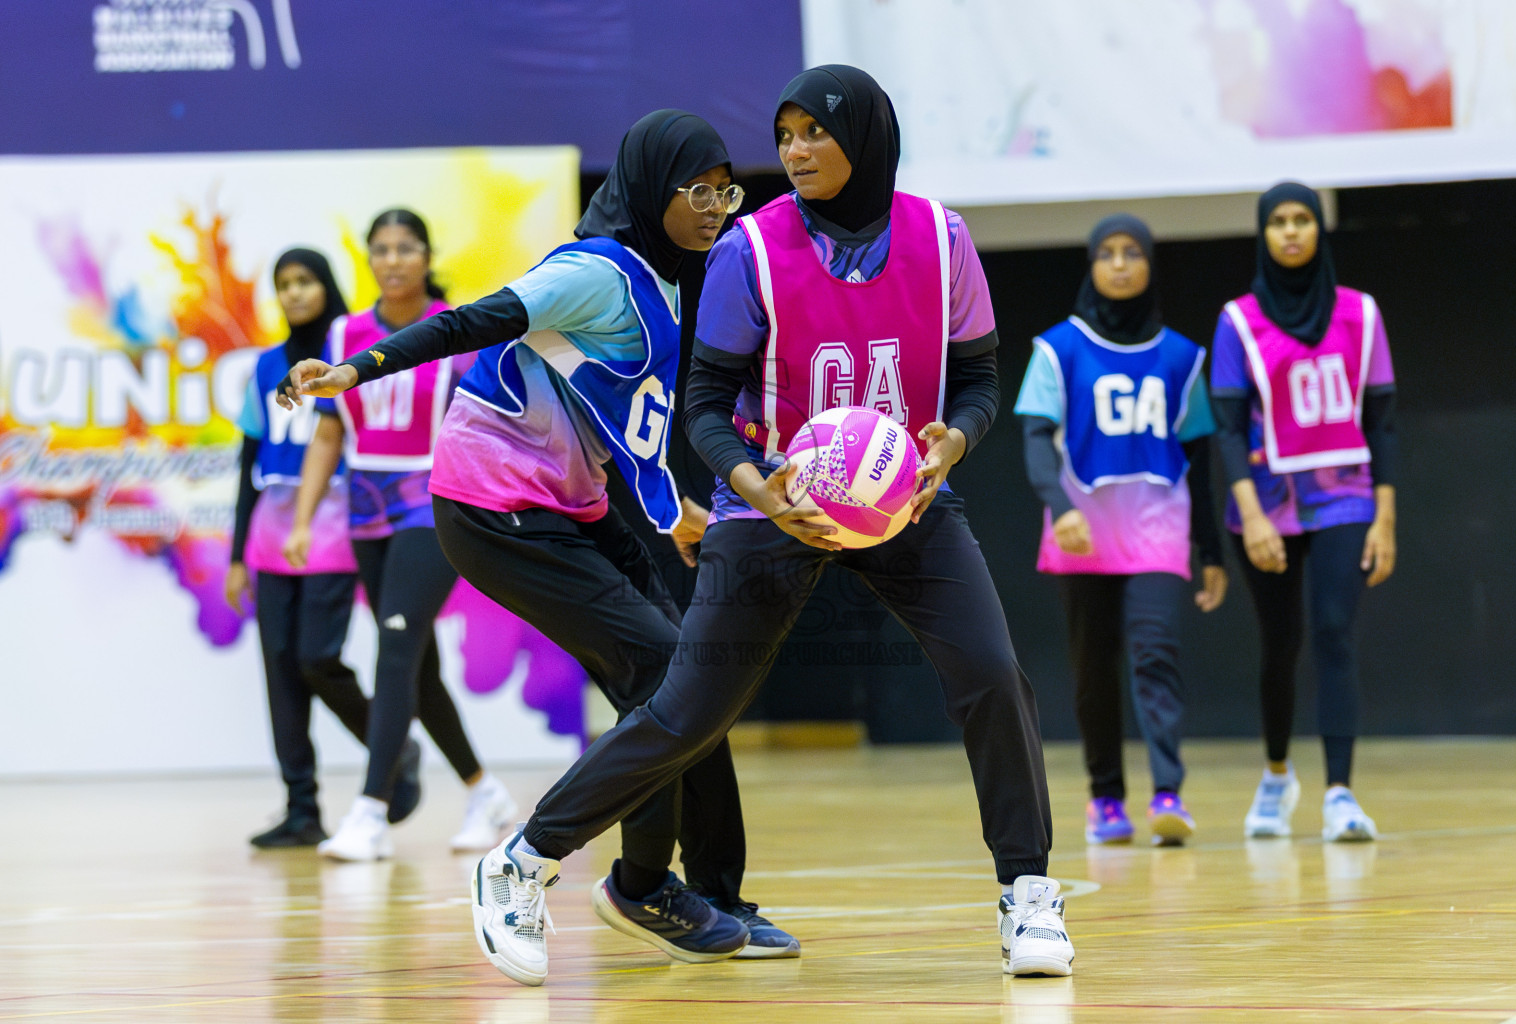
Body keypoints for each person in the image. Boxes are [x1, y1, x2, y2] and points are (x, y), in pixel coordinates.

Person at [426, 66, 1075, 985]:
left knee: (993, 676)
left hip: (906, 502)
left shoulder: (944, 237)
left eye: (816, 131)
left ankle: (1030, 895)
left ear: (868, 137)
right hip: (774, 503)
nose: (796, 150)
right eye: (786, 133)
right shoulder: (751, 249)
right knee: (688, 707)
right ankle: (522, 861)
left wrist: (953, 445)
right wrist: (757, 487)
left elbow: (976, 379)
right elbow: (702, 402)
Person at [277, 111, 797, 970]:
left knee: (695, 670)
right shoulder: (592, 271)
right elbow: (468, 323)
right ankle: (568, 870)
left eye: (726, 191)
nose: (717, 208)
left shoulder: (667, 281)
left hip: (572, 506)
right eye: (698, 192)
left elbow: (619, 421)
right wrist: (355, 369)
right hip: (491, 509)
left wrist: (673, 513)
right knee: (672, 672)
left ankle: (709, 890)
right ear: (648, 191)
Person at [283, 210, 513, 861]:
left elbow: (483, 426)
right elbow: (329, 430)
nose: (392, 260)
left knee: (394, 647)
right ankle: (485, 791)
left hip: (431, 505)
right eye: (380, 249)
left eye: (405, 248)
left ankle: (370, 812)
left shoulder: (456, 330)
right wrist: (301, 519)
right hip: (365, 510)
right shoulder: (342, 332)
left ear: (426, 255)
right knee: (417, 664)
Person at [1016, 215, 1227, 848]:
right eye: (1106, 253)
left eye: (1131, 252)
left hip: (1158, 528)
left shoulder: (1182, 357)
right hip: (1082, 530)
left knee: (1156, 653)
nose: (1119, 264)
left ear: (1149, 264)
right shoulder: (1058, 349)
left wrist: (1211, 549)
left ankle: (1169, 792)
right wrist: (1062, 507)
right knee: (1093, 672)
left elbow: (1202, 458)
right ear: (1091, 265)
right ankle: (1106, 798)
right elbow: (1033, 440)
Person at [1211, 182, 1399, 842]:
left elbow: (1383, 421)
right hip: (1266, 504)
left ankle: (1341, 793)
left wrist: (1385, 517)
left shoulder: (1361, 315)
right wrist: (1251, 517)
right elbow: (1227, 427)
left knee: (1332, 631)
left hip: (1344, 496)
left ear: (1319, 230)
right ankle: (1277, 772)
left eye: (1302, 220)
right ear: (1263, 234)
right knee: (1281, 643)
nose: (1291, 231)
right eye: (1279, 221)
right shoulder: (1238, 321)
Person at [227, 248, 420, 848]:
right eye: (283, 284)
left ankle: (392, 752)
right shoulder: (262, 369)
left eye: (305, 280)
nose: (294, 293)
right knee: (280, 671)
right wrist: (236, 554)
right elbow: (246, 463)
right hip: (269, 532)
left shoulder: (348, 355)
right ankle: (301, 808)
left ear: (326, 285)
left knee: (316, 657)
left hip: (335, 523)